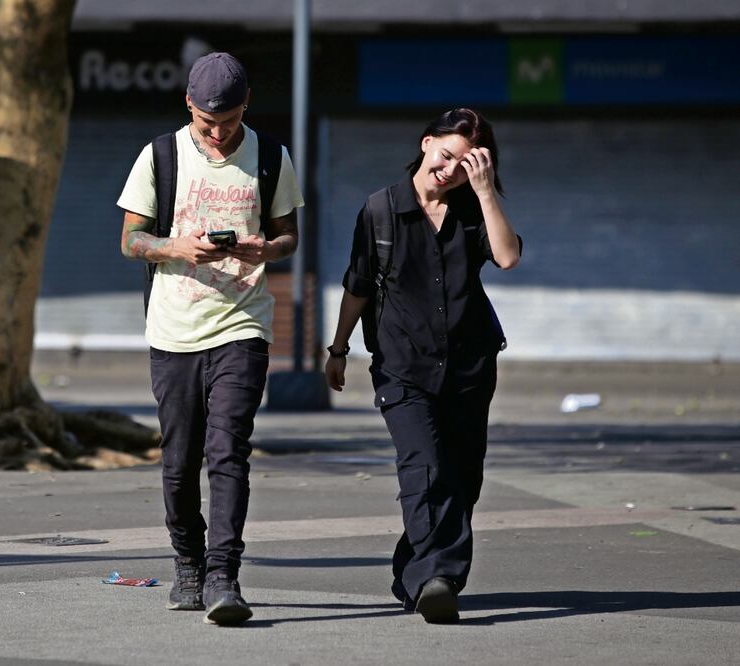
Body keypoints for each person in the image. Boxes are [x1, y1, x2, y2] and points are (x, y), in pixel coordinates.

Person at [117, 52, 303, 626]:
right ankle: (187, 563)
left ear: (246, 105)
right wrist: (174, 246)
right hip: (173, 329)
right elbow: (130, 240)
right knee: (178, 462)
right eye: (207, 123)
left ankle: (224, 574)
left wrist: (263, 250)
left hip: (242, 324)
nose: (219, 135)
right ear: (189, 107)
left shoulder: (271, 156)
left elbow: (289, 236)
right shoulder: (160, 156)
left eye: (229, 122)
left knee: (228, 452)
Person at [324, 108, 521, 624]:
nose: (450, 169)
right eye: (446, 154)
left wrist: (484, 191)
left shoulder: (474, 209)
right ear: (427, 142)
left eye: (466, 163)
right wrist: (339, 348)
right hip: (402, 366)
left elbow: (507, 258)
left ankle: (412, 569)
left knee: (462, 479)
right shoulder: (380, 211)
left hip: (469, 366)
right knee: (426, 467)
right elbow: (358, 285)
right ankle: (439, 578)